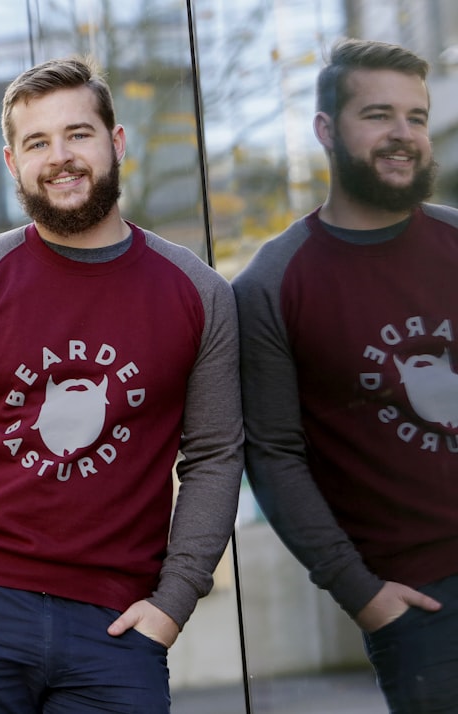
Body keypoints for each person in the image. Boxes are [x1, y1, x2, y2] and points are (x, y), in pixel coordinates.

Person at [0, 55, 243, 713]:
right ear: (12, 163)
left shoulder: (197, 294)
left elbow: (214, 455)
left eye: (78, 134)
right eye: (37, 142)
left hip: (119, 624)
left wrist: (174, 601)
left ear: (116, 144)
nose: (59, 157)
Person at [233, 38, 458, 713]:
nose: (402, 135)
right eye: (379, 115)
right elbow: (272, 454)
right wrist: (358, 591)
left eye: (416, 118)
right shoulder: (273, 284)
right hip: (423, 606)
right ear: (326, 130)